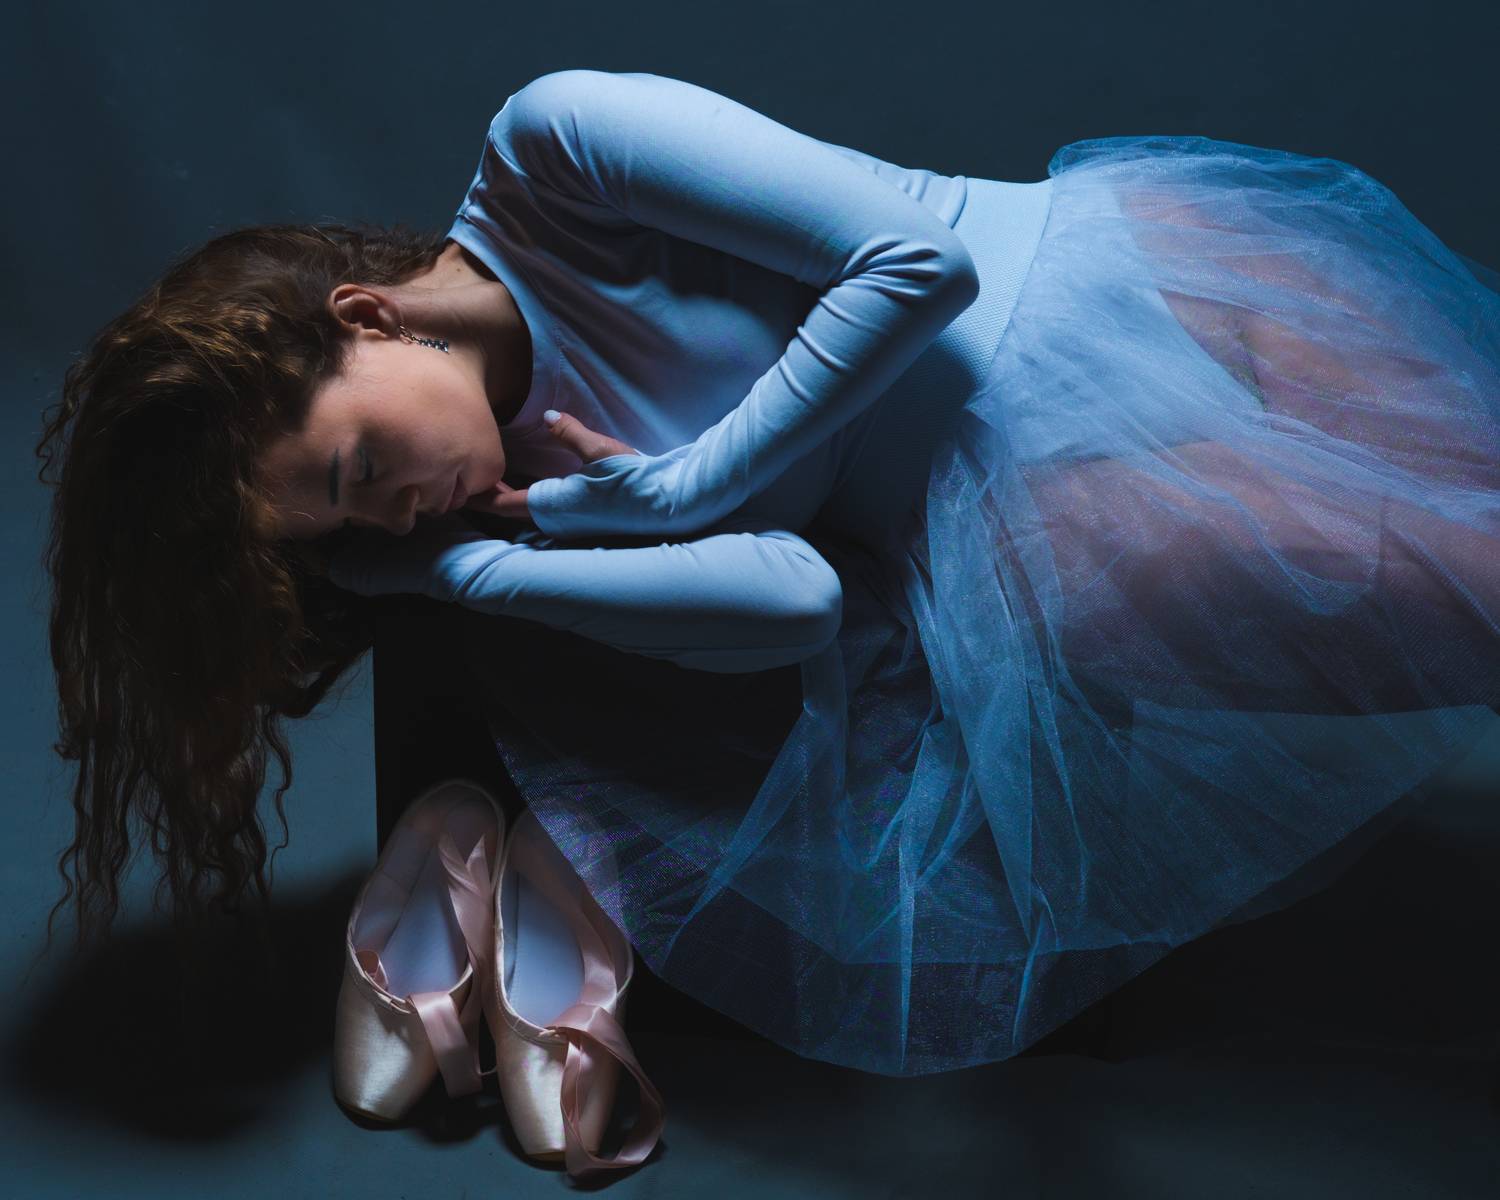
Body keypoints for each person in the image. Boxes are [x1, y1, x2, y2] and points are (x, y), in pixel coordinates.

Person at [36, 68, 1499, 1076]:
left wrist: (682, 488)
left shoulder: (553, 151)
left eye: (360, 467)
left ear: (366, 318)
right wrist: (475, 578)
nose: (395, 514)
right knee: (1451, 601)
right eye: (349, 530)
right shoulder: (523, 496)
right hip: (1063, 516)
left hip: (1124, 296)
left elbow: (917, 266)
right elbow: (799, 601)